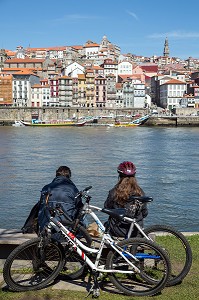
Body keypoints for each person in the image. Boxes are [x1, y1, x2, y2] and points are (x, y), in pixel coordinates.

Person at [104, 161, 148, 238]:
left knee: (106, 224)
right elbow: (144, 213)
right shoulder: (140, 193)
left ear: (119, 176)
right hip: (136, 231)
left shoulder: (114, 192)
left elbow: (107, 208)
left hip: (117, 231)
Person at [37, 165, 83, 233]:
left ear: (56, 176)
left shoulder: (46, 188)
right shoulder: (73, 189)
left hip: (46, 226)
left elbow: (40, 206)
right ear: (69, 177)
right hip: (66, 228)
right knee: (83, 212)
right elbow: (79, 207)